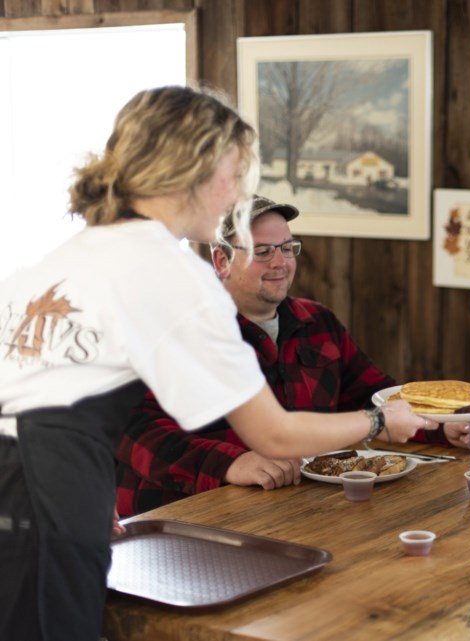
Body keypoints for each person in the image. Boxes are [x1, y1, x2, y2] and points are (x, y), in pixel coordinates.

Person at [0, 86, 433, 641]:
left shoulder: (76, 253)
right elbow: (274, 435)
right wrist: (380, 422)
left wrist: (92, 491)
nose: (236, 193)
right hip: (43, 498)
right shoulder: (171, 271)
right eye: (235, 174)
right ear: (193, 170)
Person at [115, 195, 468, 516]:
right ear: (221, 259)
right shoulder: (174, 329)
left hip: (298, 509)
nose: (281, 263)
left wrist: (441, 429)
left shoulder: (318, 323)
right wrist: (230, 464)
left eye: (287, 247)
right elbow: (131, 428)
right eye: (263, 251)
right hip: (184, 520)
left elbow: (375, 399)